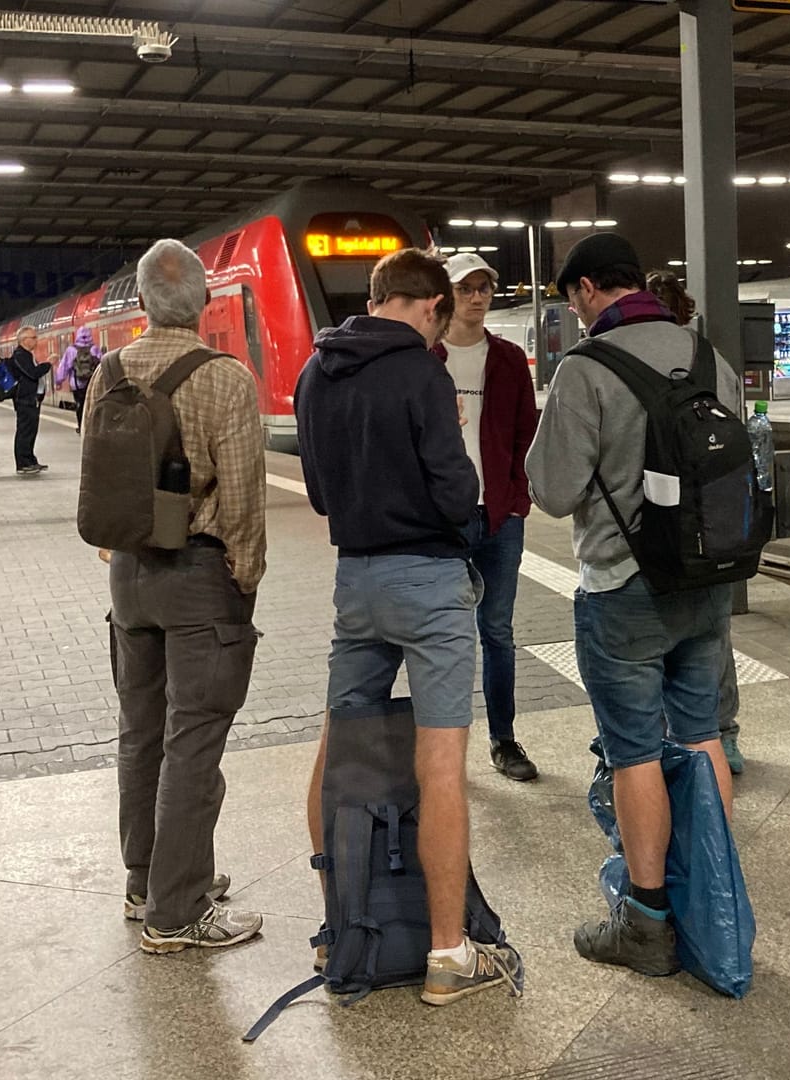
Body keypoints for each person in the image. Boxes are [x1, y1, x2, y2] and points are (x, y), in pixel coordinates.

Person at [296, 246, 524, 1006]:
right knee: (440, 763)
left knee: (339, 750)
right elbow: (458, 491)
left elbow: (322, 496)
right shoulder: (422, 371)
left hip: (354, 580)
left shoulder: (313, 372)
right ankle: (448, 957)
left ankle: (340, 931)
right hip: (425, 583)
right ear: (428, 304)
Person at [527, 233, 736, 976]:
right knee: (705, 732)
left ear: (588, 290)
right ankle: (715, 897)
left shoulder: (586, 369)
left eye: (572, 300)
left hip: (624, 587)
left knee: (635, 751)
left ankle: (647, 923)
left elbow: (550, 490)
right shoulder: (708, 355)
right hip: (709, 583)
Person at [84, 238, 269, 952]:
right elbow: (245, 499)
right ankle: (178, 911)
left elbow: (97, 483)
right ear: (206, 302)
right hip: (199, 577)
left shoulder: (110, 369)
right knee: (193, 742)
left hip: (128, 578)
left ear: (140, 302)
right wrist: (243, 578)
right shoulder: (225, 377)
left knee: (141, 733)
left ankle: (147, 882)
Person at [432, 253, 541, 782]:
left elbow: (526, 432)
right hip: (444, 519)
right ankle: (446, 749)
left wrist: (518, 498)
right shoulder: (425, 357)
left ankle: (504, 740)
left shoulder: (508, 358)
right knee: (447, 635)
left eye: (484, 288)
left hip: (499, 515)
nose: (477, 298)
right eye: (466, 288)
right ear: (445, 295)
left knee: (497, 630)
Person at [645, 269, 745, 775]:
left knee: (660, 635)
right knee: (714, 632)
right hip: (716, 515)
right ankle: (722, 734)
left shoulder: (629, 358)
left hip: (660, 519)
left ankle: (672, 732)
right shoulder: (712, 361)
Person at [6, 326, 52, 475]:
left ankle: (30, 460)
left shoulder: (26, 355)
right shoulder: (20, 355)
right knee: (25, 432)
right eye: (34, 338)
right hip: (24, 400)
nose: (36, 340)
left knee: (31, 432)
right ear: (24, 340)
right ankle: (23, 463)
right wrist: (48, 363)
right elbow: (32, 374)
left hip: (31, 400)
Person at [59, 326, 102, 432]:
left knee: (80, 404)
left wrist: (59, 380)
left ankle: (81, 426)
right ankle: (92, 426)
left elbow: (64, 366)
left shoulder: (71, 350)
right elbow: (102, 364)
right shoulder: (94, 349)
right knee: (92, 404)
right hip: (92, 382)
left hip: (76, 384)